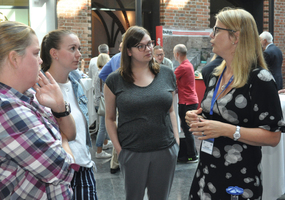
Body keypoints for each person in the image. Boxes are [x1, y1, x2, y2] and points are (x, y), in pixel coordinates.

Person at [185, 8, 284, 199]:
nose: (211, 35)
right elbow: (216, 115)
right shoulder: (216, 76)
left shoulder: (259, 79)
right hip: (206, 172)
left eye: (216, 29)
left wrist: (225, 130)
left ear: (235, 37)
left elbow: (273, 137)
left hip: (239, 178)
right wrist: (198, 117)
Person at [0, 21, 79, 199]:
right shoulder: (4, 109)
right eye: (35, 53)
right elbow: (63, 169)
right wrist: (63, 140)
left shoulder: (21, 97)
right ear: (14, 59)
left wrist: (59, 108)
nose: (41, 60)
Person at [104, 25, 180, 200]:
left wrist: (176, 141)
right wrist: (119, 150)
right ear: (129, 51)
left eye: (149, 44)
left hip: (165, 150)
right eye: (141, 46)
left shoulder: (167, 74)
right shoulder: (115, 80)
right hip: (132, 151)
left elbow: (171, 111)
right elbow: (109, 118)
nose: (148, 49)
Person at [40, 29, 98, 200]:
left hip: (83, 166)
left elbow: (79, 131)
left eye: (79, 49)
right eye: (72, 49)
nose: (79, 54)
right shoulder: (39, 88)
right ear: (54, 53)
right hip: (57, 171)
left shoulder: (76, 84)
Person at [99, 34, 124, 174]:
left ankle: (115, 163)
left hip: (116, 97)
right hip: (125, 99)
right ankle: (116, 162)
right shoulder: (128, 59)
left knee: (114, 126)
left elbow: (102, 75)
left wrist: (112, 87)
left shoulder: (114, 58)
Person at [173, 44, 199, 163]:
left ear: (177, 54)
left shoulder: (183, 67)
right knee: (187, 128)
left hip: (187, 102)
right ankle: (193, 152)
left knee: (187, 129)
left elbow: (170, 77)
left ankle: (191, 156)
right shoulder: (188, 65)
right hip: (189, 100)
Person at [93, 53, 112, 159]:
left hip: (98, 102)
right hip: (103, 102)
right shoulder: (104, 73)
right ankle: (99, 151)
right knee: (103, 128)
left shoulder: (97, 72)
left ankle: (104, 143)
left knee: (102, 125)